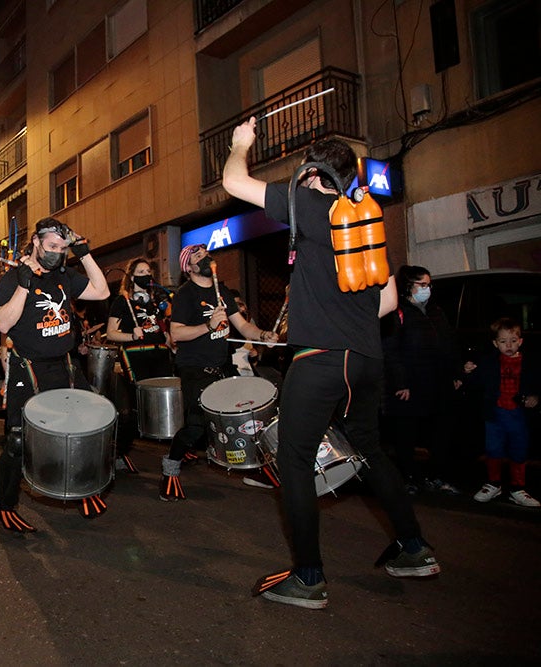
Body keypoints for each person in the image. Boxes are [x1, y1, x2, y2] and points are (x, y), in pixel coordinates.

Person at [223, 118, 440, 609]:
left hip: (322, 358)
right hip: (366, 359)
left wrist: (241, 145)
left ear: (311, 172)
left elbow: (234, 182)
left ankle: (308, 577)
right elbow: (386, 304)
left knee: (294, 461)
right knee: (369, 448)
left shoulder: (310, 203)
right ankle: (413, 547)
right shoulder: (366, 223)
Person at [0, 217, 110, 532]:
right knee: (17, 440)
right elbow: (3, 324)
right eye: (51, 246)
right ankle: (5, 507)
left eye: (62, 248)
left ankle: (81, 487)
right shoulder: (13, 277)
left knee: (83, 426)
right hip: (26, 367)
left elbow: (101, 291)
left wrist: (84, 253)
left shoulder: (64, 275)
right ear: (35, 241)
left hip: (64, 364)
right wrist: (23, 284)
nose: (57, 253)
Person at [158, 244, 279, 501]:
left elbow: (244, 327)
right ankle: (170, 467)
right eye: (197, 256)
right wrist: (208, 324)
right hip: (195, 369)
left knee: (246, 414)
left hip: (223, 366)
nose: (204, 258)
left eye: (205, 254)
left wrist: (262, 335)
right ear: (188, 267)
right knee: (197, 427)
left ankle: (257, 467)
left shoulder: (221, 290)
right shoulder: (184, 295)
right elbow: (177, 333)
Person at [382, 265, 463, 495]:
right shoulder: (398, 313)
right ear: (409, 286)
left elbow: (450, 343)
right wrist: (400, 383)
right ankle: (407, 477)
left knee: (440, 432)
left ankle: (437, 475)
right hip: (410, 384)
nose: (427, 289)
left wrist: (456, 372)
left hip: (437, 382)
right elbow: (391, 350)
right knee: (406, 434)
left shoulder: (436, 311)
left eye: (429, 284)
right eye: (423, 285)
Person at [104, 258, 173, 474]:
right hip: (136, 355)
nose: (146, 274)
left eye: (149, 270)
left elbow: (165, 327)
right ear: (132, 277)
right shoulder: (121, 302)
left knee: (165, 402)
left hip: (160, 354)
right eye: (141, 271)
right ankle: (119, 451)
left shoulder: (156, 302)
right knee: (137, 405)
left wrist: (170, 339)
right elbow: (112, 333)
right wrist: (131, 335)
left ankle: (175, 447)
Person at [465, 318, 539, 507]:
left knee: (519, 449)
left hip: (519, 416)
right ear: (495, 343)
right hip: (495, 414)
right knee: (493, 449)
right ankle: (493, 483)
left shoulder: (530, 363)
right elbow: (476, 382)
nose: (509, 345)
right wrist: (467, 372)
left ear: (520, 341)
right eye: (503, 341)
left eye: (513, 340)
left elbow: (536, 385)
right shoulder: (489, 362)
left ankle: (517, 487)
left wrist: (535, 397)